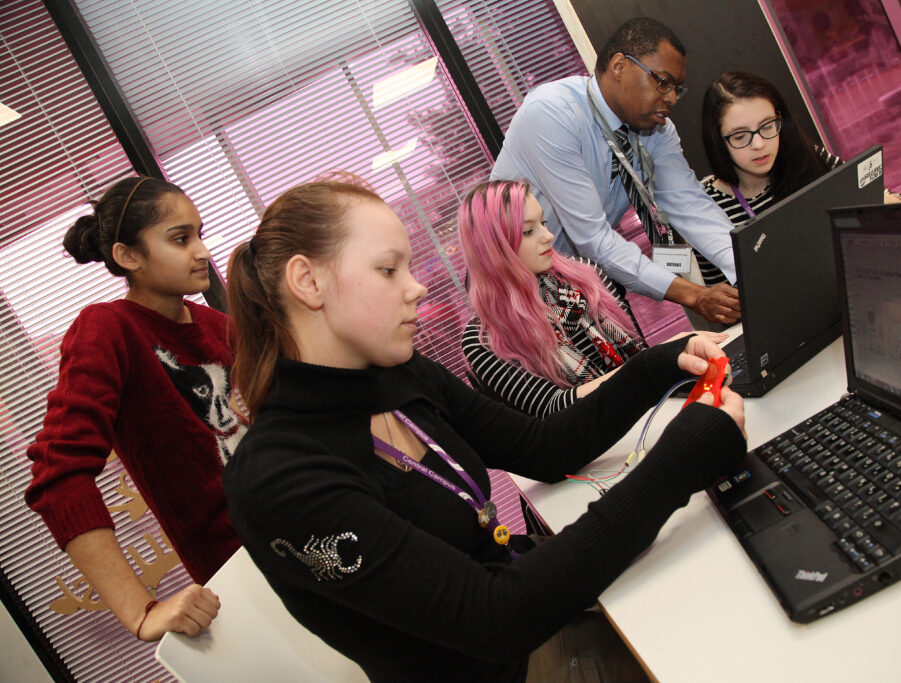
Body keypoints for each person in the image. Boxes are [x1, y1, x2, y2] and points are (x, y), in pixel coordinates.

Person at [222, 177, 747, 681]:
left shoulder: (398, 376)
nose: (416, 287)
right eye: (388, 270)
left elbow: (544, 448)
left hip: (545, 614)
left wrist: (659, 365)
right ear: (308, 282)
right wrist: (680, 461)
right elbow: (496, 617)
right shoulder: (278, 479)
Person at [25, 177, 243, 642]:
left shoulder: (220, 326)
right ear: (128, 256)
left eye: (200, 234)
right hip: (241, 576)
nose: (202, 252)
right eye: (181, 239)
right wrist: (140, 612)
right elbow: (58, 475)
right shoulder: (108, 329)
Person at [491, 17, 742, 330]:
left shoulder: (658, 131)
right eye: (663, 82)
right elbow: (593, 237)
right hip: (517, 291)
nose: (672, 98)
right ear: (620, 66)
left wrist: (749, 271)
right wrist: (694, 295)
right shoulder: (552, 113)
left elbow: (691, 206)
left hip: (584, 278)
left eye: (677, 89)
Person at [459, 179, 646, 418]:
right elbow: (553, 408)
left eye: (543, 223)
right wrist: (645, 368)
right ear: (493, 247)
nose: (548, 235)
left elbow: (639, 351)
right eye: (528, 231)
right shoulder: (484, 339)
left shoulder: (586, 277)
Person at [700, 71, 901, 223]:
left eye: (767, 126)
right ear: (718, 140)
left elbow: (890, 199)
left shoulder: (806, 158)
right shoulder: (708, 206)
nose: (759, 144)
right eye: (740, 136)